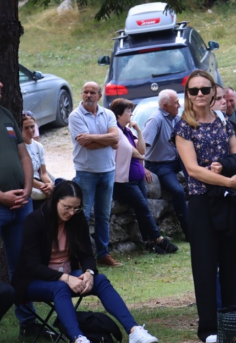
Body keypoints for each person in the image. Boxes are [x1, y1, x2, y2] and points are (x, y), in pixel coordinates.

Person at [11, 181, 159, 343]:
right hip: (33, 280)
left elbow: (87, 254)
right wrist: (65, 278)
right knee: (60, 287)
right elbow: (33, 266)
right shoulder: (35, 221)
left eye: (76, 208)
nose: (71, 212)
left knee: (100, 280)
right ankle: (79, 340)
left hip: (66, 275)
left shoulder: (76, 219)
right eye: (66, 207)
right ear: (55, 200)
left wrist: (89, 272)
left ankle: (134, 331)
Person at [175, 70, 236, 343]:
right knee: (205, 265)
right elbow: (193, 170)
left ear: (212, 91)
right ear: (188, 95)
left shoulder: (221, 119)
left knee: (233, 261)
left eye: (204, 89)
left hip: (228, 200)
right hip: (202, 201)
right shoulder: (183, 126)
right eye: (194, 91)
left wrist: (228, 169)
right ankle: (209, 327)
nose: (200, 95)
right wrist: (227, 181)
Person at [109, 98, 178, 254]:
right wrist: (140, 156)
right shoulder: (116, 131)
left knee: (142, 210)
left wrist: (138, 131)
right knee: (143, 207)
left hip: (137, 179)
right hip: (123, 181)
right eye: (128, 111)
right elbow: (137, 154)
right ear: (119, 114)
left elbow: (142, 150)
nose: (131, 114)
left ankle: (149, 243)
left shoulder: (127, 131)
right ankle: (159, 238)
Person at [0, 80, 40, 337]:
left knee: (22, 265)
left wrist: (27, 189)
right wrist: (1, 196)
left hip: (21, 205)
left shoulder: (5, 114)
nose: (1, 85)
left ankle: (28, 324)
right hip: (2, 203)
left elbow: (24, 156)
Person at [68, 82, 122, 267]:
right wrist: (106, 140)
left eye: (93, 92)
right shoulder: (75, 116)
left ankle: (103, 254)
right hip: (86, 172)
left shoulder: (108, 114)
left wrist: (92, 137)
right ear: (81, 94)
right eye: (85, 92)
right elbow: (86, 144)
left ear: (99, 96)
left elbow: (116, 138)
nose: (88, 95)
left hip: (107, 171)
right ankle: (82, 256)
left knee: (103, 215)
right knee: (82, 216)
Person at [143, 89, 189, 240]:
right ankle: (188, 231)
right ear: (165, 106)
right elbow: (142, 146)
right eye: (175, 103)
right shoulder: (155, 120)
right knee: (177, 191)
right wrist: (141, 167)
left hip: (176, 160)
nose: (179, 105)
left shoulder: (175, 117)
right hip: (159, 165)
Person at [21, 112, 54, 210]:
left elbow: (43, 173)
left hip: (39, 183)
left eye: (32, 127)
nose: (30, 130)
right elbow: (24, 176)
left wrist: (50, 184)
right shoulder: (19, 147)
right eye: (26, 128)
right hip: (28, 185)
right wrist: (43, 187)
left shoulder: (38, 146)